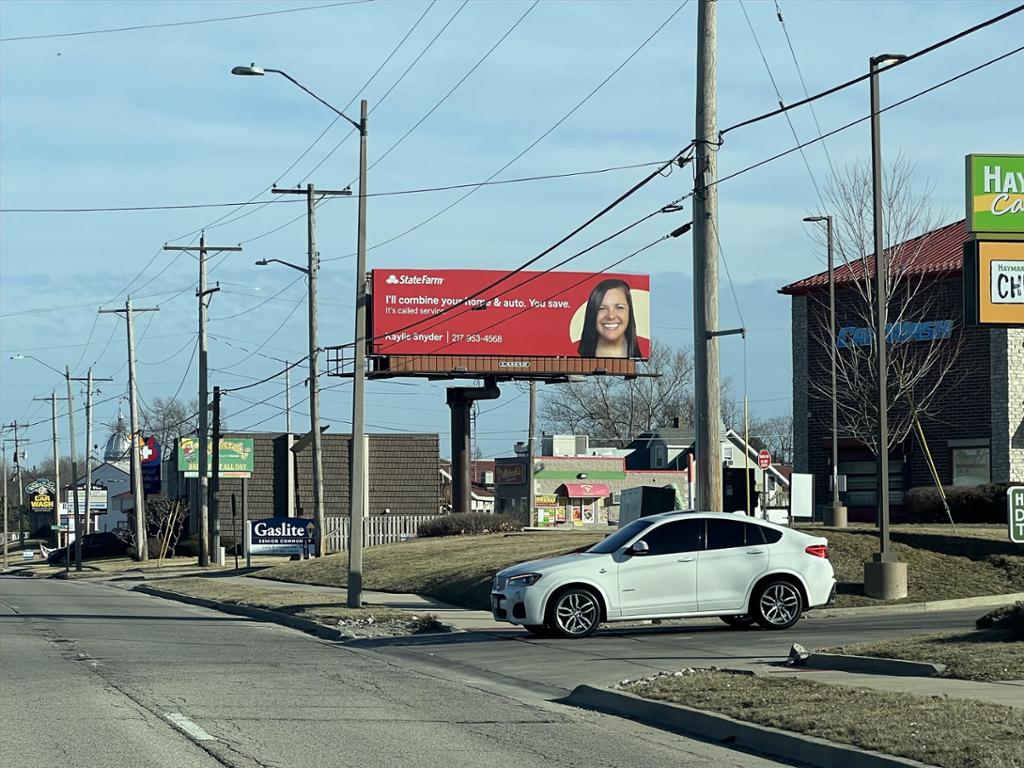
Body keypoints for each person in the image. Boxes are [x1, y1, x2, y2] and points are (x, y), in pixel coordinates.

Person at [576, 279, 640, 358]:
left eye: (619, 307)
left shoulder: (642, 365)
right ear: (592, 314)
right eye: (602, 308)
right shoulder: (576, 358)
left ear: (629, 312)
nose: (611, 316)